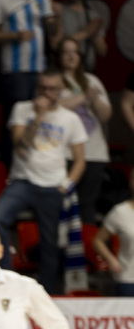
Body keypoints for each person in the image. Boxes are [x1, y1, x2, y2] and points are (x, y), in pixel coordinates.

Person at [0, 72, 85, 295]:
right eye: (42, 88)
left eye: (52, 89)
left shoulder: (70, 119)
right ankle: (5, 279)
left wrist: (67, 184)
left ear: (60, 91)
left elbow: (80, 160)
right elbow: (21, 146)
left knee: (50, 242)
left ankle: (45, 293)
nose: (46, 93)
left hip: (53, 185)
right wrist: (39, 117)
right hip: (23, 181)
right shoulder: (22, 109)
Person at [55, 38, 111, 223]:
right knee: (63, 202)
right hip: (65, 153)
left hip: (94, 153)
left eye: (75, 52)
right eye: (66, 52)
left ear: (80, 56)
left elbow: (105, 115)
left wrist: (94, 101)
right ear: (59, 56)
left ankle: (87, 240)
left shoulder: (91, 80)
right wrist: (83, 97)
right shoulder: (54, 80)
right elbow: (53, 108)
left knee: (87, 204)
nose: (71, 56)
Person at [91, 168, 134, 296]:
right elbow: (98, 240)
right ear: (131, 182)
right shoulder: (120, 211)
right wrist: (111, 259)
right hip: (128, 279)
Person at [57, 0, 106, 71]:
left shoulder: (92, 15)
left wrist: (95, 35)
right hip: (63, 69)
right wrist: (85, 33)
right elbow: (56, 45)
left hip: (86, 68)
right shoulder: (58, 11)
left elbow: (102, 51)